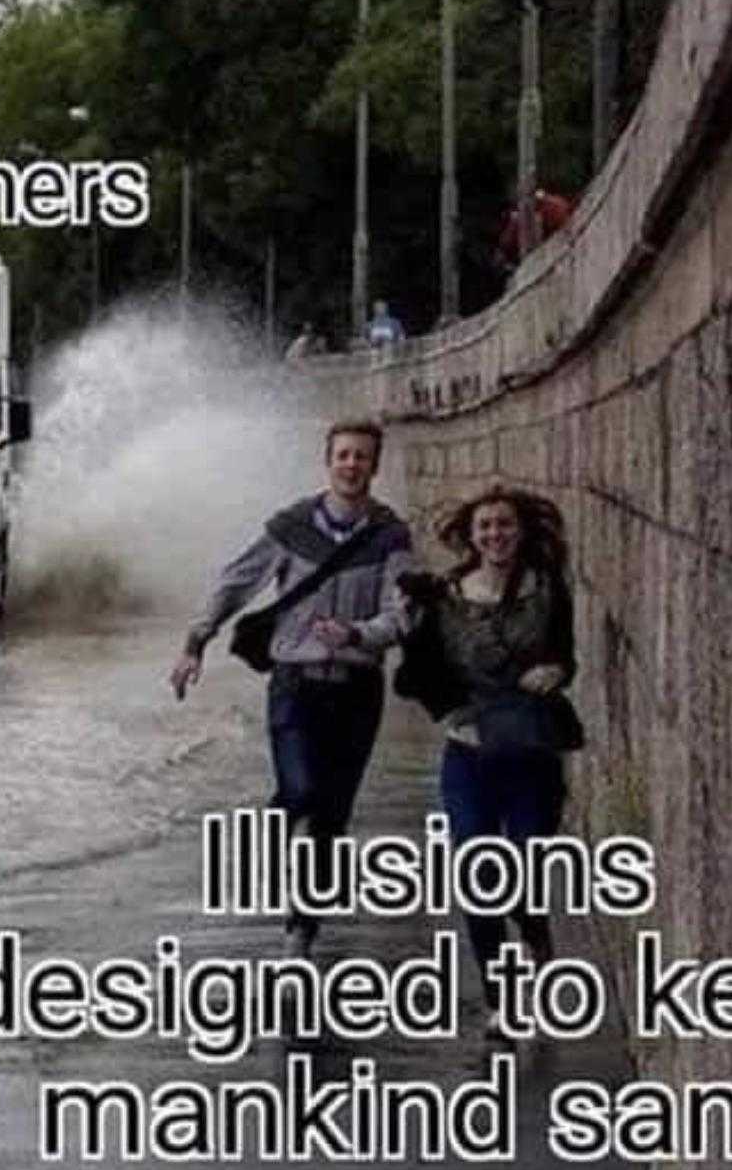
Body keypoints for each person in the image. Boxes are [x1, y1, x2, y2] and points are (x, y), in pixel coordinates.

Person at [169, 421, 415, 949]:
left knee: (331, 819)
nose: (352, 465)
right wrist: (196, 641)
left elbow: (402, 614)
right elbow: (237, 582)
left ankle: (301, 932)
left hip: (357, 688)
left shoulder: (391, 535)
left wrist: (357, 632)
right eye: (344, 455)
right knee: (301, 791)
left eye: (362, 457)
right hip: (295, 684)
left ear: (375, 466)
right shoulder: (292, 526)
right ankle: (264, 846)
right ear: (328, 461)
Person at [378, 483, 579, 1037]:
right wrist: (447, 708)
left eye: (505, 525)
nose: (495, 535)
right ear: (469, 535)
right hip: (469, 754)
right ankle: (502, 1001)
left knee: (523, 872)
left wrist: (556, 672)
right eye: (485, 526)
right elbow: (414, 675)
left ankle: (536, 935)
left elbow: (567, 656)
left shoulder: (547, 589)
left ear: (522, 531)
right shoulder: (444, 595)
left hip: (531, 750)